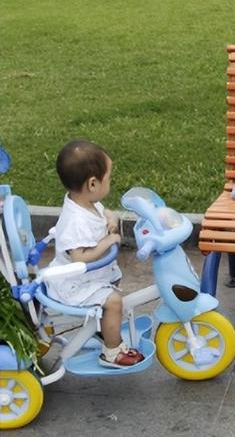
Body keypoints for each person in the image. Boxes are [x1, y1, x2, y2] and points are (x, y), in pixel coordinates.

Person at [46, 140, 144, 368]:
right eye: (108, 177)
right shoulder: (75, 221)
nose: (110, 181)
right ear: (92, 183)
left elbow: (101, 212)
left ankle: (102, 328)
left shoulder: (86, 202)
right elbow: (79, 256)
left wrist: (110, 218)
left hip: (91, 274)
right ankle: (112, 352)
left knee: (114, 278)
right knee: (114, 301)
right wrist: (107, 242)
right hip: (74, 282)